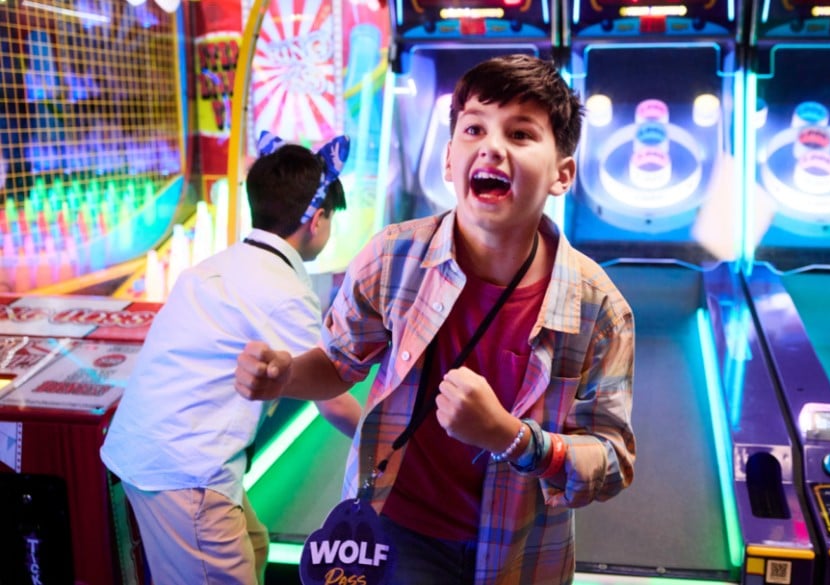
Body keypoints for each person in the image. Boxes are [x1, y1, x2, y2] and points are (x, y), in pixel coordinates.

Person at [234, 54, 637, 585]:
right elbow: (337, 365)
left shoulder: (601, 309)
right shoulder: (391, 258)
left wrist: (512, 438)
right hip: (398, 530)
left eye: (520, 134)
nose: (492, 146)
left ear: (562, 174)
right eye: (474, 128)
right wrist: (285, 375)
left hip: (522, 547)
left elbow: (611, 463)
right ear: (449, 160)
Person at [100, 133, 362, 585]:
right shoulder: (282, 289)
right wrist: (391, 442)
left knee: (254, 545)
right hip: (187, 472)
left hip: (150, 455)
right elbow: (332, 394)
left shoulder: (222, 264)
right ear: (316, 220)